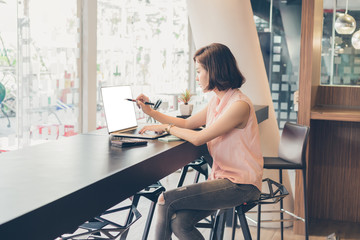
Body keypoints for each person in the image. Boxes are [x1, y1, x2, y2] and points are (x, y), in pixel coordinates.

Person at [136, 43, 263, 240]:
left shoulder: (239, 105)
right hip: (223, 180)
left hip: (241, 186)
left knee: (165, 199)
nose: (197, 77)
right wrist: (151, 113)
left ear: (213, 71)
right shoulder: (217, 101)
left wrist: (166, 128)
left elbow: (198, 138)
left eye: (199, 71)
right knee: (180, 223)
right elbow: (187, 123)